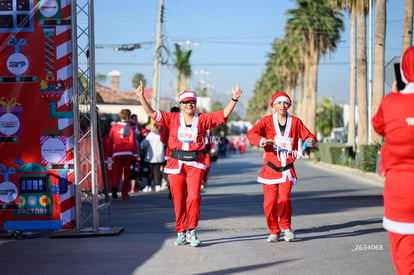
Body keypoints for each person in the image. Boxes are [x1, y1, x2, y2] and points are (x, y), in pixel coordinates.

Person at [136, 80, 242, 247]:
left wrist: (234, 99)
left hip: (195, 163)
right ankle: (180, 231)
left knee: (193, 197)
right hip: (175, 163)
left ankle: (191, 230)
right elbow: (152, 113)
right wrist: (141, 97)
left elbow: (222, 115)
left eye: (192, 102)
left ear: (195, 104)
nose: (189, 105)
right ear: (180, 104)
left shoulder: (203, 119)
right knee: (178, 200)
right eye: (185, 102)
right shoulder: (171, 118)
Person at [247, 91, 316, 243]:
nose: (282, 106)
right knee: (269, 203)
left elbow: (309, 135)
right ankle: (273, 230)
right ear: (273, 105)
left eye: (285, 103)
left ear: (289, 105)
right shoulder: (267, 121)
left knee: (284, 199)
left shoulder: (296, 122)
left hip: (287, 169)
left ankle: (286, 227)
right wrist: (263, 140)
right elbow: (251, 133)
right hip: (270, 168)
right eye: (279, 103)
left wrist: (310, 140)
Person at [372, 46, 414, 275]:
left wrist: (397, 94)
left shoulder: (391, 103)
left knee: (406, 264)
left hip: (402, 195)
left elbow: (378, 125)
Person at [107, 109, 138, 200]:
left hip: (117, 152)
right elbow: (132, 142)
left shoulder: (114, 127)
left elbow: (110, 141)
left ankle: (115, 186)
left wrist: (109, 154)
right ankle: (125, 194)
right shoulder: (130, 127)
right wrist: (135, 154)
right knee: (127, 174)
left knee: (116, 173)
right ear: (128, 117)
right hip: (128, 152)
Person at [140, 123, 165, 192]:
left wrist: (140, 149)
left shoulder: (151, 135)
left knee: (149, 171)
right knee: (157, 171)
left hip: (150, 155)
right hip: (159, 155)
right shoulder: (161, 134)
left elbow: (144, 144)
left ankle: (148, 185)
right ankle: (157, 185)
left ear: (154, 127)